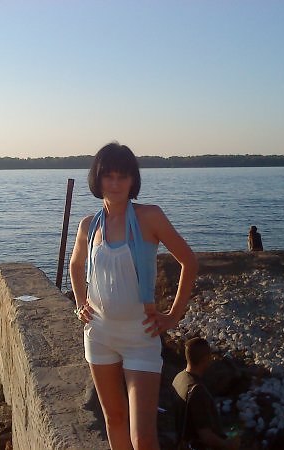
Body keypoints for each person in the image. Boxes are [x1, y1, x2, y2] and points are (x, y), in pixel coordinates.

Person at [69, 142, 198, 450]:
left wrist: (173, 316)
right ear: (97, 179)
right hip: (99, 334)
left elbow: (189, 261)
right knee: (114, 419)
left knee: (143, 437)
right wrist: (80, 304)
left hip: (141, 336)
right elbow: (76, 265)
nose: (115, 184)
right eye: (108, 176)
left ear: (132, 180)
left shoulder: (150, 217)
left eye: (122, 176)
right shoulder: (89, 225)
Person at [172, 337, 241, 450]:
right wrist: (228, 445)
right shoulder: (197, 390)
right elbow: (206, 436)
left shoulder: (179, 378)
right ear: (205, 359)